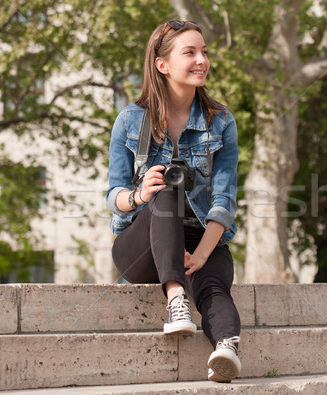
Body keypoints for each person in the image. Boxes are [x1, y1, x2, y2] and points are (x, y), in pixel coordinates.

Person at [106, 20, 241, 383]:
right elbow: (113, 195)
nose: (202, 60)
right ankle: (176, 298)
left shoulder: (222, 123)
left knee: (214, 285)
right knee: (166, 190)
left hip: (200, 239)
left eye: (204, 52)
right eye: (190, 52)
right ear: (162, 64)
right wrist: (139, 195)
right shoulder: (131, 121)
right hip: (141, 247)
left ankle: (226, 348)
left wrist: (200, 255)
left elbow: (225, 200)